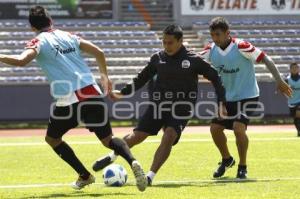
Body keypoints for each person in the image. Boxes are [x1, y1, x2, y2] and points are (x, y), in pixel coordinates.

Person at [0, 6, 147, 191]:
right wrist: (104, 77)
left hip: (71, 97)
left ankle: (84, 175)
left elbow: (22, 61)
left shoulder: (38, 41)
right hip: (92, 92)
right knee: (108, 139)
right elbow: (99, 52)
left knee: (52, 139)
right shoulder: (68, 35)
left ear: (32, 27)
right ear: (50, 21)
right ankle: (132, 161)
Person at [92, 24, 227, 185]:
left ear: (180, 41)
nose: (166, 46)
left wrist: (221, 103)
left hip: (182, 108)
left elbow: (216, 78)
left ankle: (148, 177)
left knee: (169, 136)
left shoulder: (193, 60)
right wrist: (122, 93)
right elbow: (141, 78)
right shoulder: (158, 58)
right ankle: (112, 156)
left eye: (170, 42)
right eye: (164, 42)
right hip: (158, 106)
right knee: (137, 136)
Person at [199, 17, 292, 179]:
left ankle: (242, 166)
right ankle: (227, 159)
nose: (215, 38)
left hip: (247, 96)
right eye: (212, 35)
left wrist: (279, 80)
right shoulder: (210, 50)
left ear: (228, 33)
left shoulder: (242, 46)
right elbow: (194, 62)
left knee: (238, 127)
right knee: (215, 129)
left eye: (218, 34)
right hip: (227, 98)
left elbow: (265, 58)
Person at [285, 62, 300, 137]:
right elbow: (283, 90)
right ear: (290, 69)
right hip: (291, 102)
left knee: (298, 113)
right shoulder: (287, 79)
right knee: (296, 118)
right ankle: (299, 130)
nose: (295, 69)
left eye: (297, 68)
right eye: (293, 68)